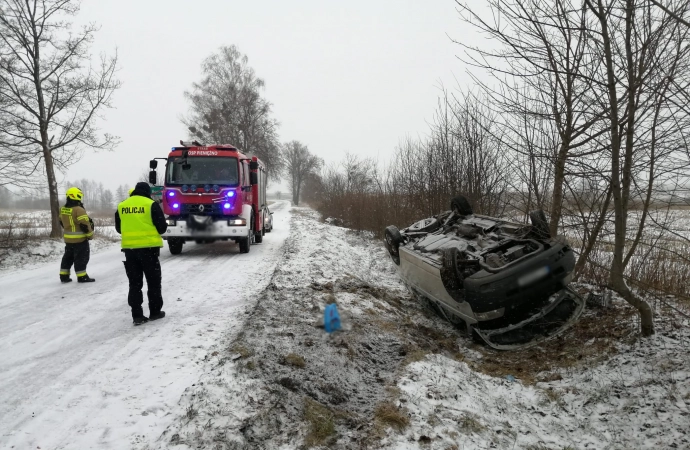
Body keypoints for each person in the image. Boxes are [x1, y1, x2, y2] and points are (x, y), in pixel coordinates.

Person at [115, 182, 168, 325]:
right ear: (147, 192)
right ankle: (155, 312)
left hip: (130, 251)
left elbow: (119, 229)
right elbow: (162, 228)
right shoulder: (150, 204)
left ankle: (137, 315)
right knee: (153, 283)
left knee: (134, 283)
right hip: (149, 250)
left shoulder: (122, 205)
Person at [59, 187, 96, 283]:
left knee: (68, 257)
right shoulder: (78, 209)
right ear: (76, 195)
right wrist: (90, 235)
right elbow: (85, 224)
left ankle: (64, 276)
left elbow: (61, 222)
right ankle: (82, 276)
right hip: (80, 240)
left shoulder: (63, 209)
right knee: (81, 258)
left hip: (68, 239)